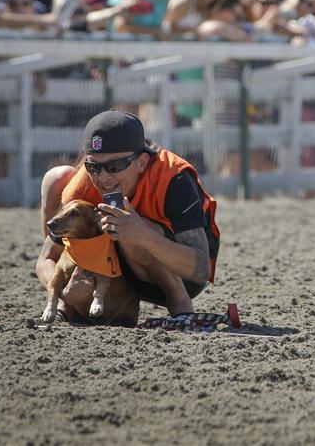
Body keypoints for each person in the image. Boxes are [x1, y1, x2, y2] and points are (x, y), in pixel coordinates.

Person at [35, 110, 220, 324]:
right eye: (93, 166)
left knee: (125, 226)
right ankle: (67, 307)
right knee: (55, 179)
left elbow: (200, 271)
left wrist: (142, 235)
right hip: (112, 272)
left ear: (142, 162)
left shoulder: (173, 177)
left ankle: (180, 307)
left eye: (114, 166)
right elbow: (45, 259)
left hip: (181, 274)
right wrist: (64, 292)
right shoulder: (82, 187)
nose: (103, 177)